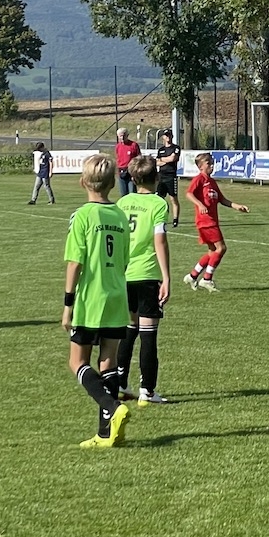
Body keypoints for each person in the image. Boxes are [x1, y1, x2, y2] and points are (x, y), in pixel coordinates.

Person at [61, 154, 132, 448]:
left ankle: (113, 407)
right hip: (117, 296)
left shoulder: (82, 216)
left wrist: (68, 304)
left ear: (82, 182)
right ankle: (106, 434)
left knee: (77, 362)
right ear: (113, 183)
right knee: (108, 362)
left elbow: (75, 263)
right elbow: (125, 259)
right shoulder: (120, 216)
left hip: (91, 299)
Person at [114, 155, 172, 404]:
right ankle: (147, 391)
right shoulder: (158, 204)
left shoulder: (123, 202)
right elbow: (160, 240)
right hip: (147, 274)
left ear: (134, 178)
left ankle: (120, 383)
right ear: (156, 178)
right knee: (148, 334)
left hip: (123, 275)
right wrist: (166, 277)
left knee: (128, 330)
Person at [184, 151, 249, 292]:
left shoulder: (212, 182)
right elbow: (189, 194)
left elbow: (222, 199)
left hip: (211, 221)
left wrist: (237, 206)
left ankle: (192, 276)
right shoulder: (199, 179)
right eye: (209, 163)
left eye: (212, 163)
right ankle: (207, 279)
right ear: (200, 166)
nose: (212, 166)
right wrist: (200, 204)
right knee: (221, 248)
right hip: (206, 221)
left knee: (212, 252)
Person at [154, 128, 181, 227]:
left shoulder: (176, 148)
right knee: (159, 198)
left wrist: (162, 160)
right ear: (163, 137)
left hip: (171, 176)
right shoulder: (161, 150)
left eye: (169, 135)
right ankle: (162, 216)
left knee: (173, 198)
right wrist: (166, 159)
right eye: (166, 135)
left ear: (172, 136)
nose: (168, 137)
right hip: (161, 176)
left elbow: (173, 158)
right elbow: (157, 162)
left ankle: (175, 219)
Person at [115, 128, 141, 198]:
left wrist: (136, 170)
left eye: (123, 135)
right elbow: (118, 159)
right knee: (123, 194)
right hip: (121, 171)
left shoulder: (134, 145)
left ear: (127, 135)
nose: (122, 138)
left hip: (131, 171)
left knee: (132, 193)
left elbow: (139, 158)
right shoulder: (118, 146)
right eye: (120, 136)